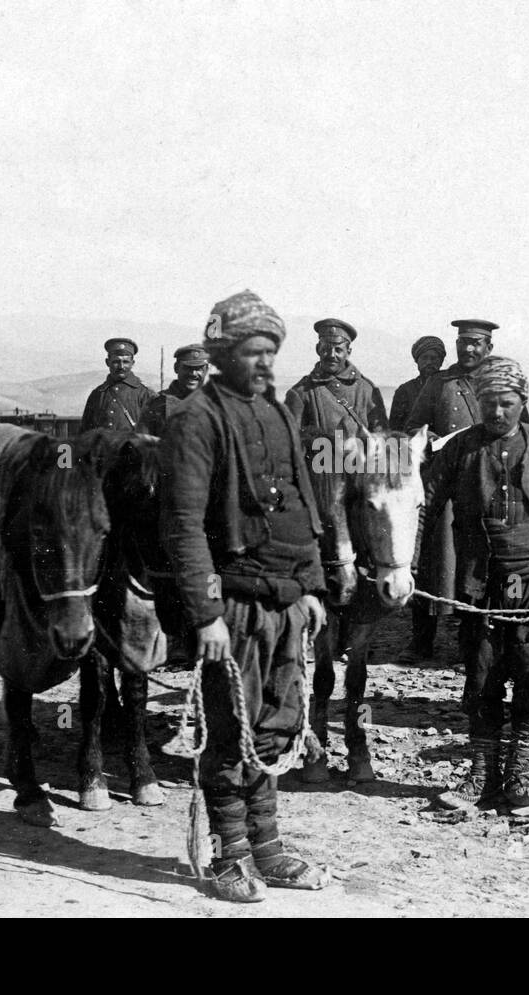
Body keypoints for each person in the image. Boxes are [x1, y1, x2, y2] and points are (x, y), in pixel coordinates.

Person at [159, 290, 330, 903]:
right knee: (230, 729)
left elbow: (303, 506)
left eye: (270, 352)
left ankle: (269, 848)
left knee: (275, 727)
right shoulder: (196, 419)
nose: (264, 363)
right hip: (230, 607)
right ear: (223, 353)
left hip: (284, 603)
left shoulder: (280, 412)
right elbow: (182, 526)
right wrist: (205, 614)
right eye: (252, 352)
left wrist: (311, 587)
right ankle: (230, 856)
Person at [425, 357, 529, 810]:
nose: (497, 412)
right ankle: (481, 772)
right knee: (481, 675)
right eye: (488, 403)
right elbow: (423, 504)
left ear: (523, 402)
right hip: (482, 584)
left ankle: (523, 769)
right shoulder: (460, 449)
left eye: (506, 403)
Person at [403, 320, 529, 661]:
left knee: (481, 564)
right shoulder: (439, 383)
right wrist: (427, 437)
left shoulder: (501, 382)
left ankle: (473, 641)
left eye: (476, 343)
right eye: (463, 342)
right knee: (434, 563)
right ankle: (422, 639)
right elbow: (413, 425)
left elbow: (524, 432)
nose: (468, 349)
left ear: (488, 347)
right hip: (448, 481)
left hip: (488, 485)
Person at [284, 318, 388, 444]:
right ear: (318, 349)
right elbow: (291, 443)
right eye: (326, 349)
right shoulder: (301, 393)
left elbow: (381, 437)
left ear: (348, 352)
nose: (332, 355)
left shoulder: (367, 390)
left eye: (338, 350)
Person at [79, 338, 155, 433]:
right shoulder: (97, 394)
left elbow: (155, 434)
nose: (121, 367)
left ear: (132, 363)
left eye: (126, 362)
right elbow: (85, 432)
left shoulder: (145, 394)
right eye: (116, 362)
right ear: (107, 362)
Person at [143, 343, 209, 437]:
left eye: (199, 368)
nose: (193, 373)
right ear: (176, 368)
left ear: (206, 370)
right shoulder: (157, 403)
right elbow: (141, 444)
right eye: (188, 368)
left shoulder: (216, 404)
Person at [389, 336, 446, 430]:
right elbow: (395, 430)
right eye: (424, 358)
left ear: (441, 361)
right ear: (417, 361)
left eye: (433, 358)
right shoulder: (405, 391)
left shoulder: (449, 387)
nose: (429, 362)